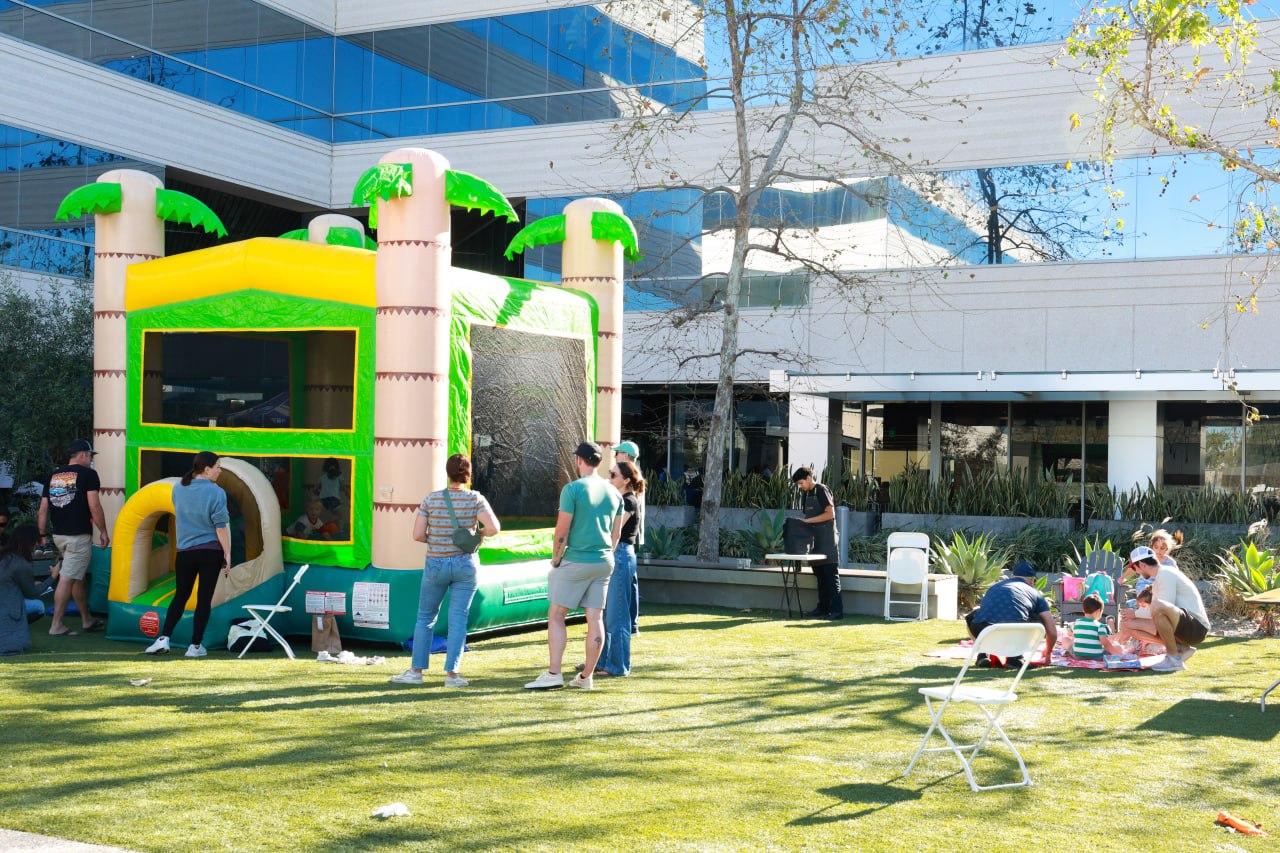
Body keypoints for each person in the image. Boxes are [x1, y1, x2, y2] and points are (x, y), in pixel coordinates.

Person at [391, 453, 499, 688]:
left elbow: (417, 534)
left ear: (447, 473)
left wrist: (437, 539)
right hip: (465, 564)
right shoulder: (475, 499)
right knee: (458, 619)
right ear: (468, 474)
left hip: (436, 564)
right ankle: (452, 675)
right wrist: (477, 535)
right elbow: (493, 527)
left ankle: (416, 672)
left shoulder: (431, 499)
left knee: (425, 618)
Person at [525, 442, 623, 691]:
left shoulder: (572, 489)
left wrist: (556, 558)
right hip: (604, 561)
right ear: (599, 462)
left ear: (580, 460)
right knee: (595, 618)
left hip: (576, 560)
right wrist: (605, 556)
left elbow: (562, 530)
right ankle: (586, 677)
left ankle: (554, 673)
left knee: (557, 614)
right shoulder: (614, 493)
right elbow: (616, 534)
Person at [145, 452, 232, 658]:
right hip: (210, 552)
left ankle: (164, 637)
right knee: (204, 599)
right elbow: (221, 528)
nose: (220, 470)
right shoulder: (217, 492)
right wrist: (228, 554)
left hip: (185, 552)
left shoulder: (178, 489)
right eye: (218, 466)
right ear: (207, 469)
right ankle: (195, 646)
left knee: (180, 596)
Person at [38, 440, 110, 636]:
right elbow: (94, 505)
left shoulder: (53, 475)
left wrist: (42, 534)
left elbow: (43, 508)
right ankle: (56, 625)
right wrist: (103, 531)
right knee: (67, 578)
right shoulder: (88, 475)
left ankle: (87, 620)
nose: (91, 460)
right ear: (82, 455)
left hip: (59, 535)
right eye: (90, 456)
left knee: (75, 578)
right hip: (78, 536)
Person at [1120, 545, 1209, 672]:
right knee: (1128, 625)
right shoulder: (1159, 578)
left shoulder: (1166, 573)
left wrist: (1135, 613)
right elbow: (1159, 611)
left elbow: (1163, 606)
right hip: (1183, 625)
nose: (1136, 572)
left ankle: (1174, 659)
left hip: (1197, 628)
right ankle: (1179, 648)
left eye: (1135, 568)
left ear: (1142, 564)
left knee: (1157, 605)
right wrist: (1134, 615)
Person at [596, 460, 644, 677]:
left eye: (613, 475)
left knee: (616, 615)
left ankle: (617, 666)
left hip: (621, 555)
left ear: (626, 480)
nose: (609, 477)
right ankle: (603, 661)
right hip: (618, 554)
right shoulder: (621, 500)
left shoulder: (628, 501)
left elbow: (612, 530)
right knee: (607, 615)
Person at [965, 562, 1057, 667]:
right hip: (1015, 632)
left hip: (984, 629)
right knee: (1040, 620)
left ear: (1012, 576)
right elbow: (1052, 630)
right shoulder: (1035, 594)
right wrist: (1048, 652)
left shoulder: (994, 587)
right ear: (1032, 581)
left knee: (973, 616)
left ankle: (983, 654)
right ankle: (1015, 658)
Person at [792, 467, 842, 620]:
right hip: (814, 541)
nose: (800, 486)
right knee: (819, 576)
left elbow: (830, 514)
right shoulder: (806, 495)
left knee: (830, 576)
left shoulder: (822, 490)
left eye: (801, 483)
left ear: (808, 478)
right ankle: (823, 608)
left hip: (827, 539)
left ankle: (837, 611)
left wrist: (807, 521)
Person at [613, 441, 644, 634]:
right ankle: (631, 625)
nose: (615, 456)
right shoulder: (632, 482)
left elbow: (618, 524)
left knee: (624, 590)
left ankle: (630, 625)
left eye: (618, 453)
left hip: (625, 542)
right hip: (630, 541)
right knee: (630, 584)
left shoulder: (630, 490)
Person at [0, 525, 44, 655]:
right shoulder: (20, 564)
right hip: (9, 606)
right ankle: (13, 630)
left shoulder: (4, 557)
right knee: (39, 606)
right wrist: (53, 577)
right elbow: (32, 593)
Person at [1066, 593, 1122, 659]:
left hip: (1077, 656)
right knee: (1119, 648)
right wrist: (1114, 652)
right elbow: (1104, 642)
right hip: (1097, 656)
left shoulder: (1076, 623)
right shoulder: (1100, 626)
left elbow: (1069, 633)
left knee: (1065, 639)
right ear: (1098, 611)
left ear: (1083, 610)